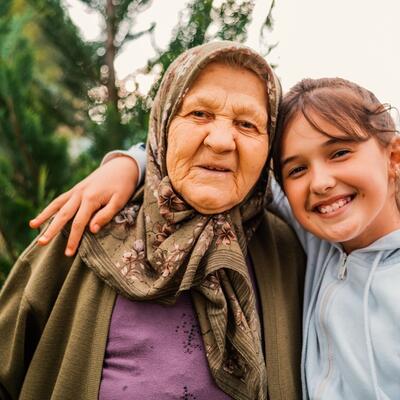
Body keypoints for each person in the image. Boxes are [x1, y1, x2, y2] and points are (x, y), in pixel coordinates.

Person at [33, 76, 400, 399]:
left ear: (394, 157)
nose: (320, 182)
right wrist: (130, 164)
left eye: (340, 153)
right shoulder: (317, 236)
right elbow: (213, 166)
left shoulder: (309, 236)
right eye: (297, 169)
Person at [0, 41, 305, 400]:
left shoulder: (288, 248)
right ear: (163, 123)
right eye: (199, 114)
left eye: (247, 123)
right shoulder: (87, 223)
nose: (222, 140)